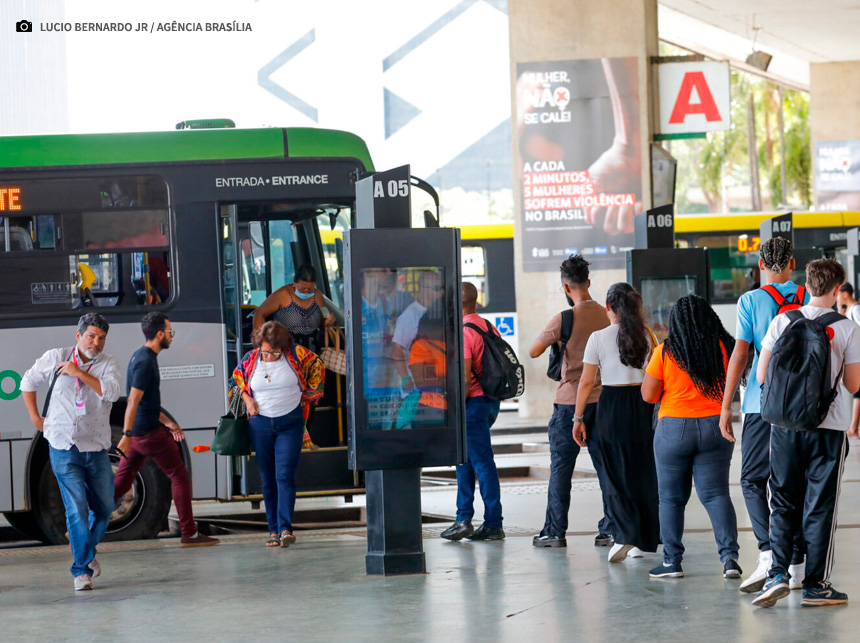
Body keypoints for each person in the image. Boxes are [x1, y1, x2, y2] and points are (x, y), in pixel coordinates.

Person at [752, 259, 860, 608]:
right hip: (827, 430)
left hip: (783, 427)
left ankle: (777, 574)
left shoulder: (783, 320)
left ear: (807, 284)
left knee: (782, 499)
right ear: (835, 290)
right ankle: (815, 584)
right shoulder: (846, 328)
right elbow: (854, 384)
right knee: (820, 506)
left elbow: (762, 376)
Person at [718, 237, 809, 593]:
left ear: (760, 264)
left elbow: (740, 357)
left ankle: (769, 552)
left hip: (761, 403)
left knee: (754, 480)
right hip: (807, 405)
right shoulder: (807, 297)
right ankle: (798, 560)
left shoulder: (750, 301)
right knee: (796, 479)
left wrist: (727, 406)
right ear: (792, 264)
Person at [19, 313, 121, 591]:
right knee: (75, 509)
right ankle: (81, 570)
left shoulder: (108, 364)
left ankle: (85, 550)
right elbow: (26, 383)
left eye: (101, 338)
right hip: (63, 447)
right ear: (78, 336)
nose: (96, 342)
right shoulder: (56, 357)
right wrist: (35, 420)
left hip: (96, 448)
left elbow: (111, 393)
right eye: (91, 336)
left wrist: (79, 373)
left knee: (105, 508)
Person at [642, 294, 741, 579]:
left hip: (673, 429)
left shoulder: (665, 352)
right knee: (716, 494)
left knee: (671, 499)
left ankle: (672, 562)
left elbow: (648, 396)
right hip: (716, 427)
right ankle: (730, 560)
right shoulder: (725, 347)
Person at [114, 312, 219, 548]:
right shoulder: (145, 362)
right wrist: (126, 435)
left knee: (120, 484)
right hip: (148, 435)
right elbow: (133, 400)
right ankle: (189, 534)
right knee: (179, 475)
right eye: (170, 332)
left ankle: (83, 527)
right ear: (160, 334)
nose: (172, 337)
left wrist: (166, 421)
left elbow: (147, 400)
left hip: (143, 433)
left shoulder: (140, 356)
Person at [572, 283, 659, 563]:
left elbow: (586, 382)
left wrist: (578, 417)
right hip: (642, 404)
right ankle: (644, 539)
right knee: (644, 470)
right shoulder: (647, 334)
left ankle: (624, 534)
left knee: (614, 472)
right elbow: (655, 372)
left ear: (608, 307)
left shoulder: (598, 337)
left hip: (611, 405)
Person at [529, 255, 611, 548]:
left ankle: (554, 531)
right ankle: (610, 529)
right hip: (603, 401)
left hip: (568, 403)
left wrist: (560, 341)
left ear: (565, 287)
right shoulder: (607, 315)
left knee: (561, 470)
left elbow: (533, 351)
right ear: (588, 282)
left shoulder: (563, 319)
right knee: (607, 468)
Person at [232, 321, 325, 548]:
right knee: (267, 478)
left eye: (275, 352)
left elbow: (318, 365)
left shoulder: (295, 354)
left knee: (284, 475)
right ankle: (272, 530)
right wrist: (247, 398)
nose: (271, 356)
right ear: (258, 345)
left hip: (290, 424)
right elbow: (236, 380)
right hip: (260, 425)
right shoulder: (251, 358)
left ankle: (285, 529)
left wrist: (309, 394)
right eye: (266, 351)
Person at [440, 283, 505, 542]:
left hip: (473, 404)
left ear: (459, 303)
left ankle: (493, 524)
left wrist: (453, 407)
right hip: (490, 402)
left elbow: (465, 379)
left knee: (482, 463)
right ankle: (463, 518)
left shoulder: (465, 332)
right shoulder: (488, 326)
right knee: (464, 460)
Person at [254, 264, 334, 448]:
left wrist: (328, 321)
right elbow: (260, 313)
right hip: (287, 353)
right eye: (302, 288)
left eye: (310, 288)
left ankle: (305, 437)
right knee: (291, 396)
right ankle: (293, 439)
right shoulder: (282, 295)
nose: (306, 291)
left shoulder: (318, 296)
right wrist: (262, 342)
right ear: (294, 282)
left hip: (311, 354)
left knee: (310, 396)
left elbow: (324, 321)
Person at [392, 270, 446, 396]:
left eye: (443, 288)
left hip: (435, 387)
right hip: (416, 390)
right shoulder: (409, 316)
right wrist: (406, 379)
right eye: (438, 288)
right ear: (423, 289)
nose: (443, 292)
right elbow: (397, 350)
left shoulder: (439, 313)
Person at [837, 283, 860, 438]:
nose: (837, 297)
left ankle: (853, 428)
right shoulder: (851, 310)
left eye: (838, 294)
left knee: (858, 392)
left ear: (845, 294)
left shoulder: (856, 309)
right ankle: (853, 428)